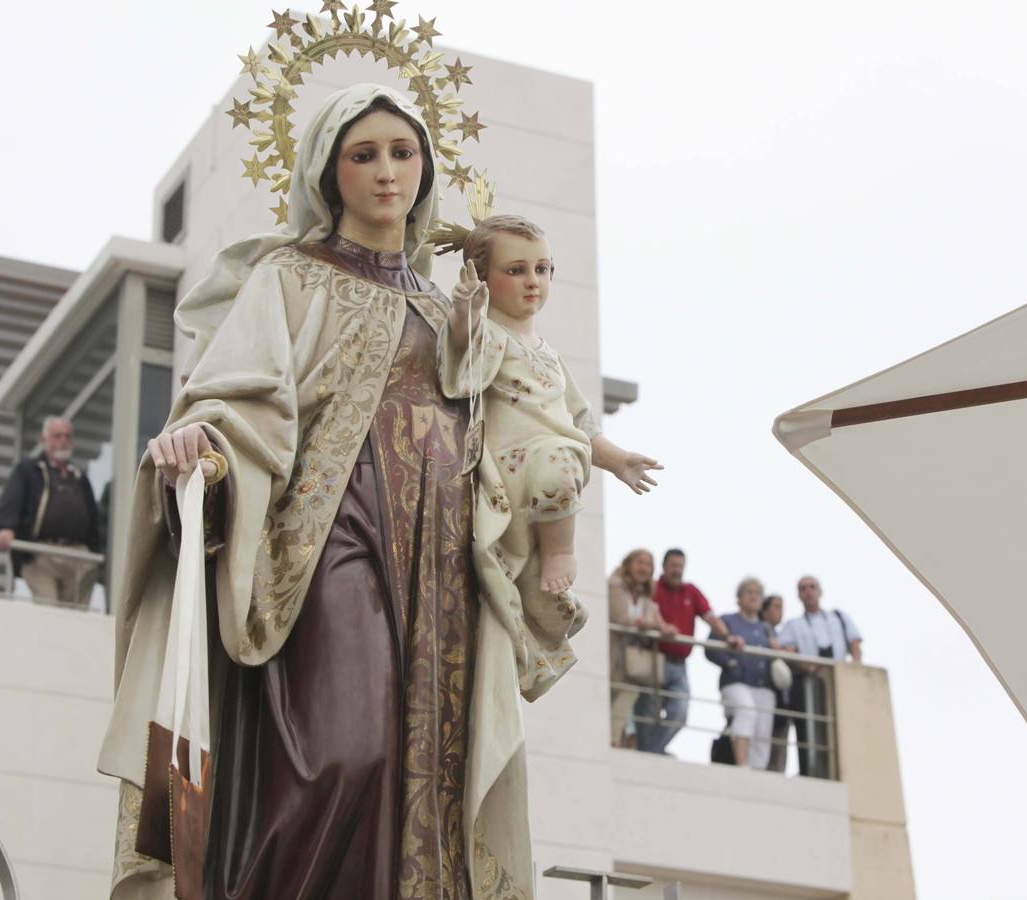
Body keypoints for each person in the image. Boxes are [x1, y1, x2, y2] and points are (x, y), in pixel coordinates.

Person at [97, 85, 557, 900]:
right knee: (348, 746)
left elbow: (527, 427)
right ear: (326, 170)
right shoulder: (290, 279)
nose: (388, 173)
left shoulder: (448, 307)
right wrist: (202, 452)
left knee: (427, 774)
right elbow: (233, 400)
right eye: (365, 154)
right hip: (329, 539)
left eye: (403, 153)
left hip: (439, 566)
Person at [440, 213, 662, 698]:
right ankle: (556, 557)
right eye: (516, 269)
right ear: (482, 276)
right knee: (553, 476)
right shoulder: (491, 335)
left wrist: (619, 460)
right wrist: (465, 313)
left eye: (543, 269)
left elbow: (581, 421)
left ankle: (556, 554)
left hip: (556, 460)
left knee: (560, 466)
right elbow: (460, 353)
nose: (532, 281)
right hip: (511, 465)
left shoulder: (550, 355)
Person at [637, 548, 742, 755]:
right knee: (647, 714)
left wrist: (727, 636)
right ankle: (649, 753)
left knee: (679, 713)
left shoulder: (691, 591)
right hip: (654, 659)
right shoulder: (654, 587)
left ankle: (650, 752)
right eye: (673, 566)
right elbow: (649, 609)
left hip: (679, 664)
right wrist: (663, 627)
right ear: (664, 567)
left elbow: (710, 616)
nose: (677, 570)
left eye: (680, 566)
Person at [0, 416, 100, 607]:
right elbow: (11, 499)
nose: (63, 441)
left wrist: (96, 551)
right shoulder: (29, 470)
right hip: (41, 554)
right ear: (44, 440)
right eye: (57, 436)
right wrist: (6, 527)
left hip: (77, 556)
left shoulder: (79, 476)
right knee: (48, 609)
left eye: (67, 436)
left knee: (73, 618)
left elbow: (93, 516)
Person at [778, 574, 864, 778]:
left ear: (820, 591)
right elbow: (787, 652)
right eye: (803, 588)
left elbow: (855, 644)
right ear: (799, 595)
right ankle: (813, 770)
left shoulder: (838, 617)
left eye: (812, 587)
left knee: (843, 726)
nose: (808, 592)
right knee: (812, 726)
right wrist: (805, 665)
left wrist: (854, 671)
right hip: (811, 681)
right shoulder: (794, 625)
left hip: (840, 679)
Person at [705, 577, 782, 768]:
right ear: (739, 597)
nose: (754, 596)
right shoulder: (728, 621)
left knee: (763, 729)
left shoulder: (766, 629)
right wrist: (731, 662)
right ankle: (742, 765)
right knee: (746, 711)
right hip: (736, 682)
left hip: (764, 685)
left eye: (758, 593)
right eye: (749, 592)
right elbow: (710, 649)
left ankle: (757, 771)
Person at [606, 549, 674, 748]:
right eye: (640, 562)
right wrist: (643, 623)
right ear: (629, 563)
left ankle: (613, 741)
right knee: (607, 696)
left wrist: (652, 624)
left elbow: (655, 620)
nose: (644, 568)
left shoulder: (646, 597)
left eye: (648, 564)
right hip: (612, 653)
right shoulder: (614, 585)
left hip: (632, 661)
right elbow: (620, 617)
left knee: (625, 699)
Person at [760, 593, 793, 773]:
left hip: (781, 698)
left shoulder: (780, 636)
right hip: (766, 694)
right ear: (764, 610)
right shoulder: (762, 630)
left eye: (781, 607)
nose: (779, 611)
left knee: (779, 745)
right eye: (776, 606)